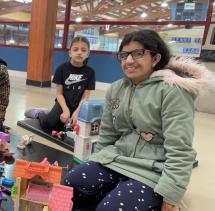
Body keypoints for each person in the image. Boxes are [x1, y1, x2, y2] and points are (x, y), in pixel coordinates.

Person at [64, 29, 213, 211]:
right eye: (124, 55)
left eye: (138, 53)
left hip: (152, 171)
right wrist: (97, 162)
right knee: (71, 183)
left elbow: (180, 150)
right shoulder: (116, 89)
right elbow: (108, 134)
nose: (128, 61)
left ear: (156, 58)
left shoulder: (173, 91)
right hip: (116, 160)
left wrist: (171, 195)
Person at [25, 36, 96, 131]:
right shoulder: (62, 69)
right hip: (62, 103)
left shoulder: (90, 72)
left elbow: (85, 98)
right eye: (75, 49)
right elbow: (59, 94)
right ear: (70, 53)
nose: (79, 52)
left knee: (73, 128)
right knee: (49, 124)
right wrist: (66, 110)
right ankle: (40, 113)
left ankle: (56, 114)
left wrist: (76, 113)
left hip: (79, 105)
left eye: (83, 50)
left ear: (88, 54)